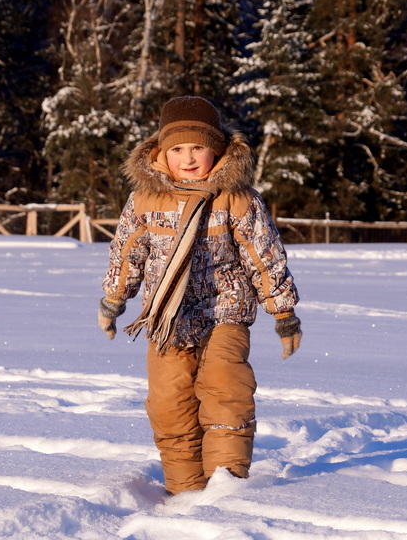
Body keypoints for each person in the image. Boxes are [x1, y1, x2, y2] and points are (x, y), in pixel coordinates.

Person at [98, 95, 301, 495]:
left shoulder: (237, 200)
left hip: (224, 312)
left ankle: (225, 486)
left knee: (226, 390)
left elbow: (266, 258)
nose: (187, 158)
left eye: (198, 148)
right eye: (177, 149)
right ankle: (184, 490)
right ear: (160, 152)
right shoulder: (144, 200)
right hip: (166, 319)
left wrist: (284, 314)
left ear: (218, 150)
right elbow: (126, 254)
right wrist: (113, 300)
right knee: (168, 403)